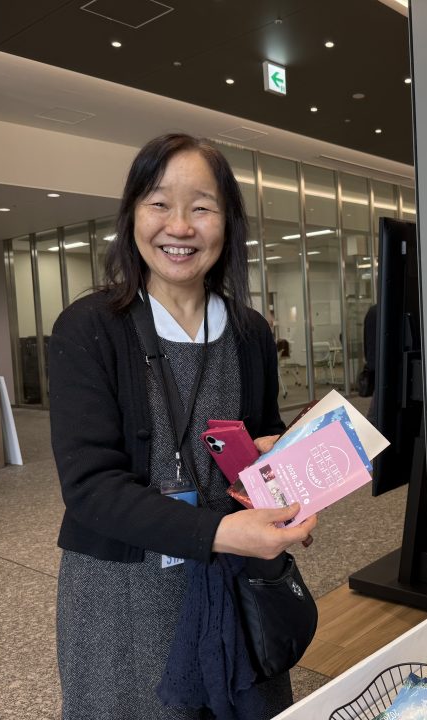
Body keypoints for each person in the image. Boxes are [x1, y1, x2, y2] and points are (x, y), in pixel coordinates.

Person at [49, 134, 317, 720]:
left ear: (228, 223)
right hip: (122, 595)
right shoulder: (90, 327)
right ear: (132, 215)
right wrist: (223, 532)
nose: (179, 226)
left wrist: (279, 468)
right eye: (159, 203)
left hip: (235, 582)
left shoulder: (248, 331)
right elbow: (91, 488)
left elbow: (259, 434)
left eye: (201, 207)